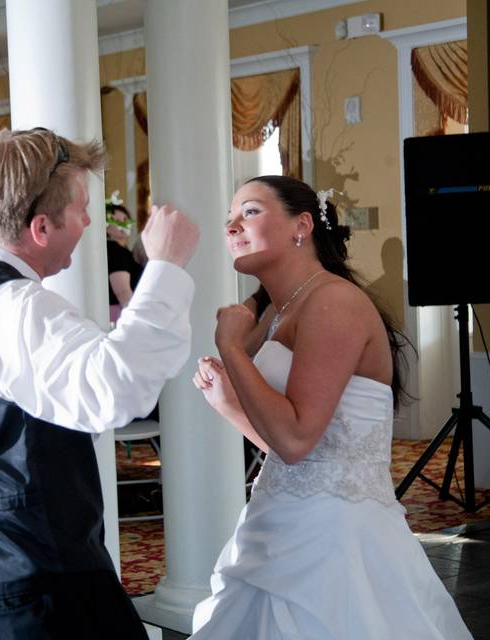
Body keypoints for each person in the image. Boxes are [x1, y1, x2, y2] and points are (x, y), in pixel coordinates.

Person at [0, 127, 199, 640]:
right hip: (33, 579)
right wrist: (165, 268)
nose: (91, 221)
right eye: (82, 208)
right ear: (42, 227)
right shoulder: (14, 307)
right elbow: (116, 389)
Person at [190, 175, 471, 639]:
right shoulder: (276, 313)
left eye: (251, 211)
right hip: (275, 518)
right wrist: (228, 403)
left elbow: (297, 440)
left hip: (334, 538)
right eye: (229, 219)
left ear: (302, 224)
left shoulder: (333, 301)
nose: (233, 226)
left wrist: (232, 348)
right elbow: (296, 449)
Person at [105, 202, 141, 323]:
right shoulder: (115, 251)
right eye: (116, 220)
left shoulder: (119, 250)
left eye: (125, 219)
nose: (122, 224)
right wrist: (136, 319)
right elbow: (122, 291)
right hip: (119, 316)